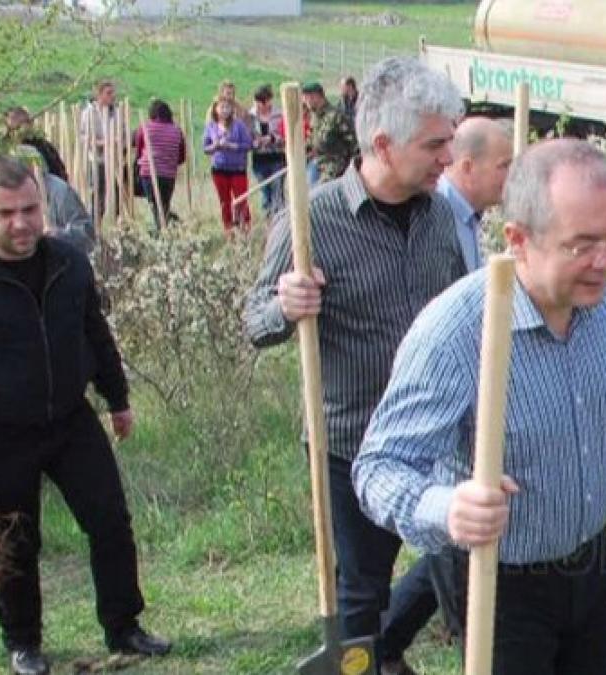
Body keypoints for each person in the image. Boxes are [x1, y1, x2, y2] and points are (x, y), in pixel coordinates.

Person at [352, 139, 606, 675]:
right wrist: (449, 506)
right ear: (518, 240)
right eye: (584, 244)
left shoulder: (602, 298)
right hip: (499, 584)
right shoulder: (455, 332)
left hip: (590, 566)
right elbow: (378, 468)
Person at [0, 158, 171, 675]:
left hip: (70, 419)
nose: (22, 223)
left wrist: (117, 399)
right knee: (15, 543)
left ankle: (124, 627)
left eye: (30, 209)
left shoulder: (69, 263)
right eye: (6, 213)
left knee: (110, 522)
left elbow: (94, 333)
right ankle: (23, 643)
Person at [242, 56, 465, 675]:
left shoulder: (440, 216)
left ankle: (385, 656)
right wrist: (285, 306)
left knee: (455, 554)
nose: (448, 157)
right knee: (362, 592)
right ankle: (364, 661)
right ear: (384, 145)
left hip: (436, 438)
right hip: (351, 443)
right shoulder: (312, 221)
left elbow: (462, 312)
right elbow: (255, 321)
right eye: (435, 145)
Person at [436, 117, 513, 272]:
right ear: (468, 167)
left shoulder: (469, 215)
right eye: (504, 166)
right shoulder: (434, 217)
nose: (511, 175)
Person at [134, 99, 186, 232]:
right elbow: (181, 157)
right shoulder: (177, 130)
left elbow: (139, 152)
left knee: (156, 206)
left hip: (149, 173)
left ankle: (163, 230)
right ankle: (168, 227)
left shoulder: (145, 128)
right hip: (169, 175)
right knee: (164, 204)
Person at [203, 98, 252, 235]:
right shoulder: (211, 126)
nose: (224, 110)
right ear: (216, 109)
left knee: (241, 200)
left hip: (238, 169)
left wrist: (233, 146)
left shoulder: (239, 125)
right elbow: (205, 148)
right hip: (219, 169)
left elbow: (248, 144)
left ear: (232, 110)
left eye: (227, 107)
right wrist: (215, 146)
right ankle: (228, 229)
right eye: (222, 107)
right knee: (224, 201)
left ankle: (245, 228)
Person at [78, 78, 118, 220]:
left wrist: (118, 141)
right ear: (99, 95)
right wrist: (103, 143)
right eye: (109, 93)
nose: (112, 96)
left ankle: (114, 221)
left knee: (114, 194)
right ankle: (94, 223)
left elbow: (122, 133)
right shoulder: (89, 113)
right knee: (96, 194)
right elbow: (84, 137)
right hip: (96, 159)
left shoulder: (115, 113)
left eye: (113, 93)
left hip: (113, 160)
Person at [302, 82, 357, 185]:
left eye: (307, 98)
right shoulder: (314, 117)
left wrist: (352, 167)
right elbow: (311, 140)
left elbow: (353, 143)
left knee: (320, 191)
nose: (305, 101)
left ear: (317, 97)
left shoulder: (336, 116)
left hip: (335, 165)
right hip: (318, 163)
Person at [249, 84, 286, 215]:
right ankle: (268, 218)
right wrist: (255, 142)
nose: (262, 105)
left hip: (277, 157)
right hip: (259, 159)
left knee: (277, 191)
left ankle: (280, 217)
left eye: (265, 101)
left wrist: (272, 139)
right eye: (259, 101)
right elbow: (247, 135)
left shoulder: (280, 114)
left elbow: (285, 134)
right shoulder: (250, 116)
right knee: (265, 192)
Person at [6, 106, 69, 182]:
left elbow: (59, 173)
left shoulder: (43, 147)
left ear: (30, 124)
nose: (15, 132)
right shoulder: (4, 148)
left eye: (18, 127)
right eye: (12, 129)